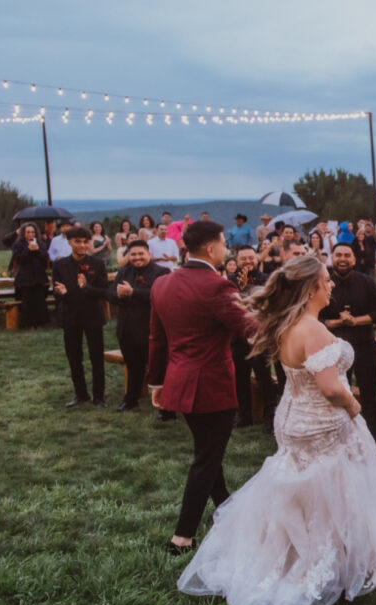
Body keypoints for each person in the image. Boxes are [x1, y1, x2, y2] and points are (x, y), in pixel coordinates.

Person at [176, 256, 376, 605]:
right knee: (331, 485)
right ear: (311, 288)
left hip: (292, 417)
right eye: (326, 280)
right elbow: (331, 388)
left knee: (296, 484)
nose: (332, 285)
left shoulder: (287, 323)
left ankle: (288, 553)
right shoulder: (312, 329)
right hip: (320, 420)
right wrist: (353, 407)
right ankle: (323, 561)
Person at [146, 220, 256, 555]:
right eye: (224, 244)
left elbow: (157, 338)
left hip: (179, 383)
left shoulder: (162, 284)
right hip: (212, 387)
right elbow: (250, 329)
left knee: (209, 452)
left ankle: (225, 508)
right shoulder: (217, 287)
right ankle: (182, 537)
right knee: (206, 458)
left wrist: (157, 381)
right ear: (211, 248)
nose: (227, 249)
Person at [319, 242, 376, 445]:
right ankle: (339, 439)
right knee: (337, 397)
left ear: (354, 259)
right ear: (332, 257)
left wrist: (356, 320)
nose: (342, 259)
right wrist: (338, 322)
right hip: (333, 350)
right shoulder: (323, 283)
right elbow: (315, 318)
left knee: (369, 396)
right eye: (338, 254)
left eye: (347, 255)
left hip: (364, 347)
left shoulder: (367, 282)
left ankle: (373, 440)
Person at [106, 240, 168, 412]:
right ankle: (131, 399)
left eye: (141, 254)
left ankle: (166, 407)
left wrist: (133, 293)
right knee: (133, 366)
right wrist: (118, 294)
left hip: (151, 329)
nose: (137, 257)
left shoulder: (161, 272)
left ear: (149, 254)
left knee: (159, 367)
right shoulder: (124, 272)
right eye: (133, 254)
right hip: (127, 329)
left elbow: (160, 295)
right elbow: (110, 294)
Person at [52, 226, 110, 408]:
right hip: (71, 316)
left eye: (86, 241)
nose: (82, 245)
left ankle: (99, 396)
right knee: (74, 357)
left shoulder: (98, 264)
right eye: (77, 241)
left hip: (93, 315)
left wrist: (87, 287)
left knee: (96, 357)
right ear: (69, 242)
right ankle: (80, 394)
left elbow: (104, 292)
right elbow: (57, 294)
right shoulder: (60, 265)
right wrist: (61, 293)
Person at [228, 246, 276, 429]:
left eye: (251, 258)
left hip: (259, 338)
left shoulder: (267, 280)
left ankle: (269, 419)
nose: (248, 262)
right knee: (240, 379)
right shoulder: (230, 281)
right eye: (244, 259)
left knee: (264, 379)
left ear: (257, 260)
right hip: (238, 338)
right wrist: (238, 290)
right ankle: (244, 415)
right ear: (237, 262)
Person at [11, 222, 51, 329]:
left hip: (38, 276)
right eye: (28, 232)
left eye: (33, 232)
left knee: (40, 300)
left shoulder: (41, 244)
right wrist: (28, 250)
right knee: (27, 301)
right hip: (25, 277)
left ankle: (41, 323)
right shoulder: (18, 245)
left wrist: (37, 250)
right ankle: (28, 324)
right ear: (23, 233)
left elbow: (45, 259)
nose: (30, 234)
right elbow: (19, 260)